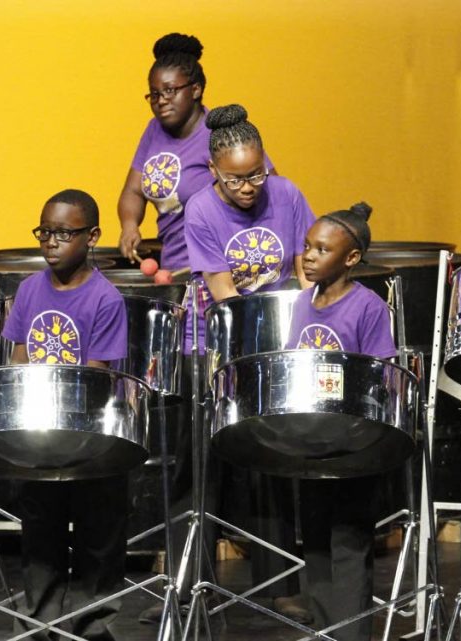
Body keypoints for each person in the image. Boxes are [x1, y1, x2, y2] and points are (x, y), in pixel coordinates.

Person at [159, 103, 314, 623]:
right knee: (199, 466)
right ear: (215, 172)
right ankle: (185, 581)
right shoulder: (200, 209)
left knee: (268, 461)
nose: (250, 188)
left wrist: (295, 339)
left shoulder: (287, 194)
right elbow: (225, 294)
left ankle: (279, 584)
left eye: (257, 175)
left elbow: (304, 272)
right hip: (211, 345)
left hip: (274, 344)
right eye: (237, 180)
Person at [3, 189, 129, 641]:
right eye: (45, 232)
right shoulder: (29, 289)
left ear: (92, 236)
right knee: (41, 537)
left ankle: (90, 629)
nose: (51, 242)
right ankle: (40, 625)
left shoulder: (105, 299)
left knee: (99, 539)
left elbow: (94, 381)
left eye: (63, 233)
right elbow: (18, 360)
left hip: (88, 440)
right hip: (39, 437)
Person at [286, 203, 397, 641]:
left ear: (350, 259)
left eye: (322, 249)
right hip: (311, 439)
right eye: (308, 247)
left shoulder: (368, 308)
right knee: (313, 540)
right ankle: (325, 630)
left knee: (349, 544)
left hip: (354, 443)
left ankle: (352, 634)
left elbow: (380, 377)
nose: (309, 256)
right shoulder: (300, 302)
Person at [118, 32, 211, 268]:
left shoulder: (220, 133)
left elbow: (268, 189)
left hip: (215, 270)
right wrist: (130, 225)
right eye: (155, 94)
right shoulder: (154, 131)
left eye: (170, 91)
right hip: (174, 267)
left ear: (196, 89)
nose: (160, 100)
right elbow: (133, 191)